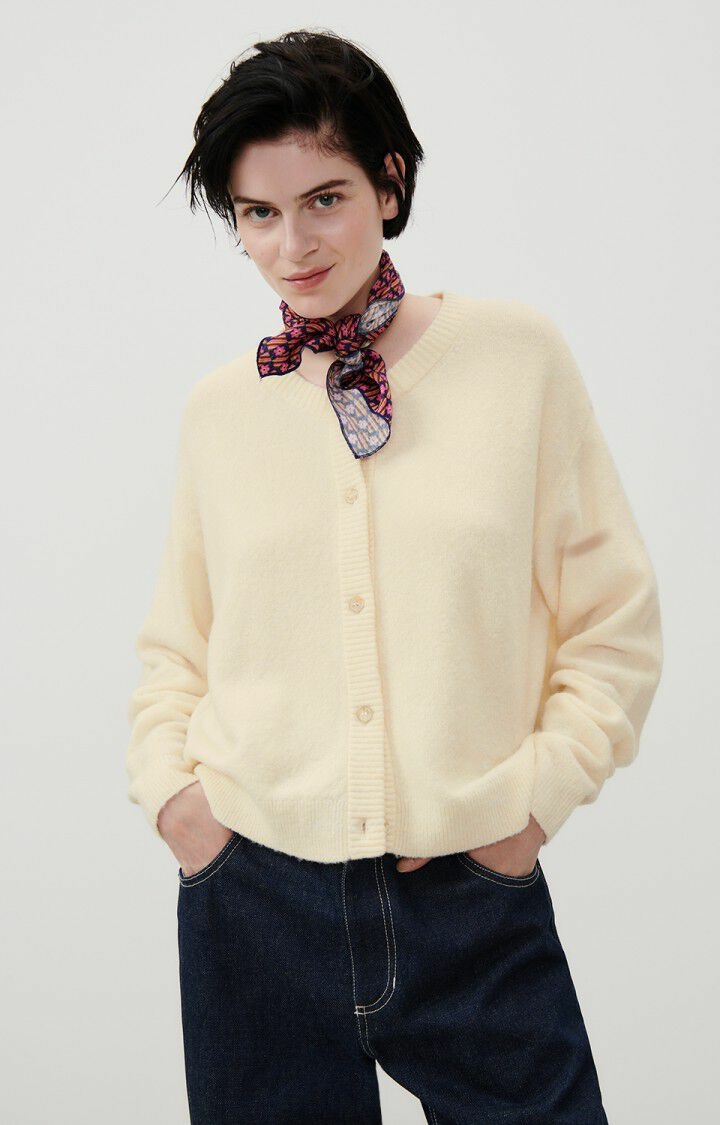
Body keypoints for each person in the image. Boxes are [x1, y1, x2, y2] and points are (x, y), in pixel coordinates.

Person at [125, 27, 663, 1125]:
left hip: (469, 895)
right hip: (254, 900)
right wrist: (178, 803)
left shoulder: (516, 360)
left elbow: (613, 622)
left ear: (390, 181)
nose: (292, 245)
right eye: (258, 214)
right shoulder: (221, 412)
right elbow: (179, 648)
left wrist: (531, 803)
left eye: (323, 199)